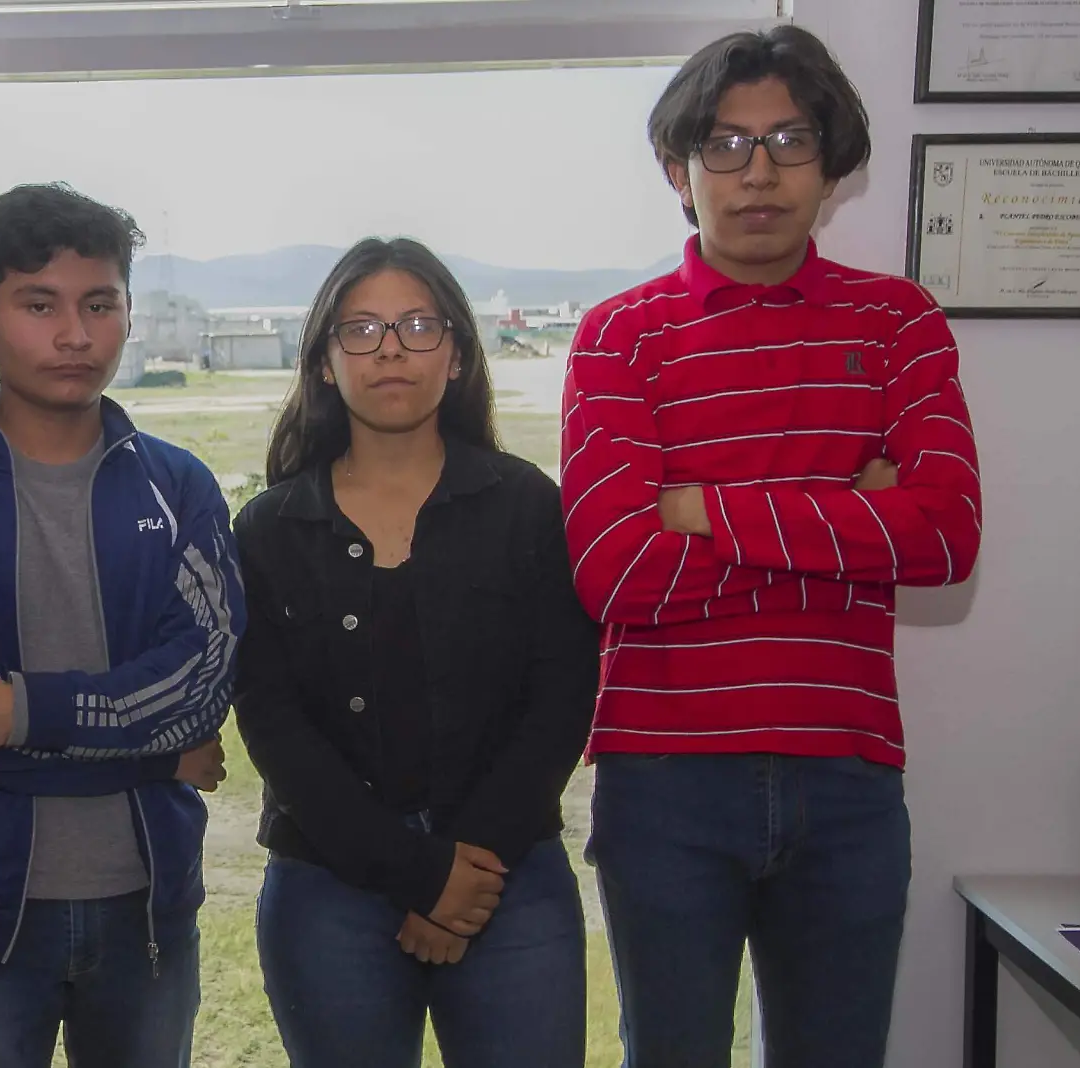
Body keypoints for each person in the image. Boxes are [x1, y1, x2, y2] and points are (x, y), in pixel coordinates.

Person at [560, 26, 983, 1068]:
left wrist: (702, 508)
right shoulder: (620, 336)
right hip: (663, 778)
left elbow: (941, 536)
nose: (757, 171)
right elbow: (615, 571)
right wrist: (846, 511)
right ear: (677, 170)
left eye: (788, 140)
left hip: (845, 772)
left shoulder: (899, 324)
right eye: (723, 143)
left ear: (830, 163)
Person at [0, 183, 242, 1068]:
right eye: (39, 305)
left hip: (148, 908)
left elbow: (202, 689)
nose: (74, 335)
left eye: (99, 304)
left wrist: (19, 710)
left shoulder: (179, 486)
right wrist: (154, 750)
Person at [231, 238, 602, 1068]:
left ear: (459, 353)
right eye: (359, 329)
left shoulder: (527, 507)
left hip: (508, 875)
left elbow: (562, 698)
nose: (390, 348)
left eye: (416, 325)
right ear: (325, 362)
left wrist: (467, 870)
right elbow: (272, 724)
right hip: (328, 884)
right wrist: (418, 873)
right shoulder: (269, 529)